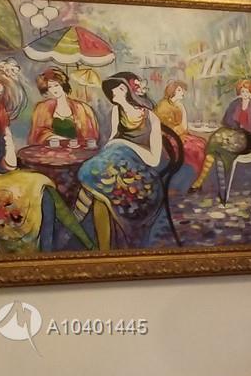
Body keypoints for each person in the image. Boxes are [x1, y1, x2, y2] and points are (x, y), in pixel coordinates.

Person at [0, 72, 94, 253]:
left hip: (1, 174)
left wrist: (7, 137)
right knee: (39, 185)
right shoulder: (43, 108)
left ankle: (58, 245)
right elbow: (37, 135)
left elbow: (10, 165)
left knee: (44, 188)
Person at [73, 74, 180, 248]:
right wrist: (116, 145)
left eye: (116, 90)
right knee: (99, 188)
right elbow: (111, 143)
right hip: (116, 167)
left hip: (139, 175)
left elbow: (153, 160)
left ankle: (77, 217)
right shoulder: (117, 111)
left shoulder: (151, 118)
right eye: (111, 92)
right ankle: (103, 248)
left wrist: (125, 144)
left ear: (127, 90)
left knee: (98, 183)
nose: (112, 95)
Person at [194, 79, 251, 193]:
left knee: (220, 143)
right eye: (243, 91)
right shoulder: (235, 104)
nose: (245, 94)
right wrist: (236, 127)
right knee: (217, 139)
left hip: (249, 140)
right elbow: (226, 121)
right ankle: (201, 183)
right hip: (235, 135)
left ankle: (205, 183)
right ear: (240, 92)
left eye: (247, 91)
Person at [27, 68, 100, 148]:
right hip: (52, 150)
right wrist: (57, 138)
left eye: (56, 85)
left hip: (76, 150)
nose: (54, 89)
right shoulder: (42, 108)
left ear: (63, 85)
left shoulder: (82, 108)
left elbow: (90, 136)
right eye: (50, 87)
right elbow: (37, 134)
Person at [154, 80, 206, 183]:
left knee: (202, 143)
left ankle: (195, 180)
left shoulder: (175, 104)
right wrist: (183, 109)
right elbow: (178, 129)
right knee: (197, 148)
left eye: (182, 90)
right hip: (168, 141)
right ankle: (192, 180)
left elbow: (182, 128)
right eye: (179, 90)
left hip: (176, 136)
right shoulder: (164, 107)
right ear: (171, 91)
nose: (182, 92)